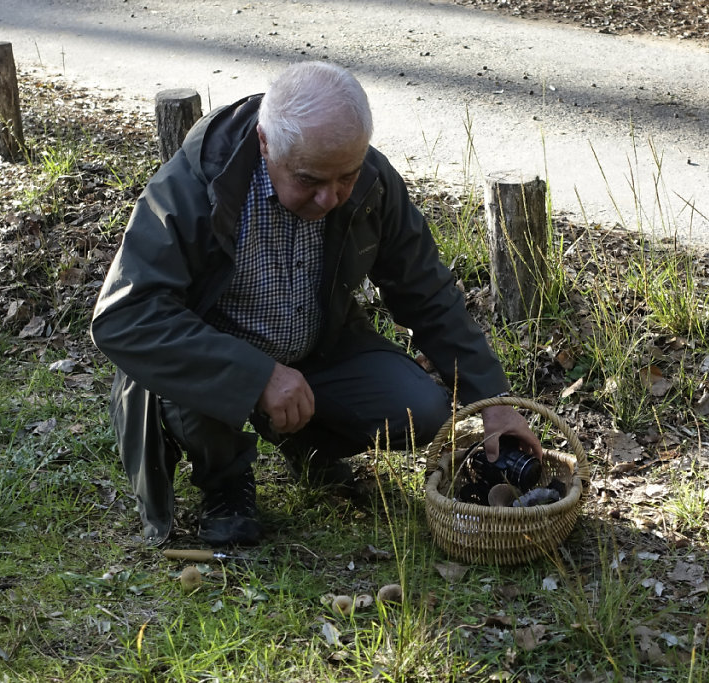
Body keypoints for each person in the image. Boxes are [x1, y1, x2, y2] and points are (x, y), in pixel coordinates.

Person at [91, 61, 542, 546]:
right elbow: (125, 316)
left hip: (315, 347)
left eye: (345, 177)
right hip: (212, 357)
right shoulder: (194, 185)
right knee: (189, 381)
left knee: (423, 409)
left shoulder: (371, 179)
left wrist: (494, 401)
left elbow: (427, 292)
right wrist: (256, 375)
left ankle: (303, 443)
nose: (330, 198)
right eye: (309, 180)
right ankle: (224, 480)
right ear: (266, 145)